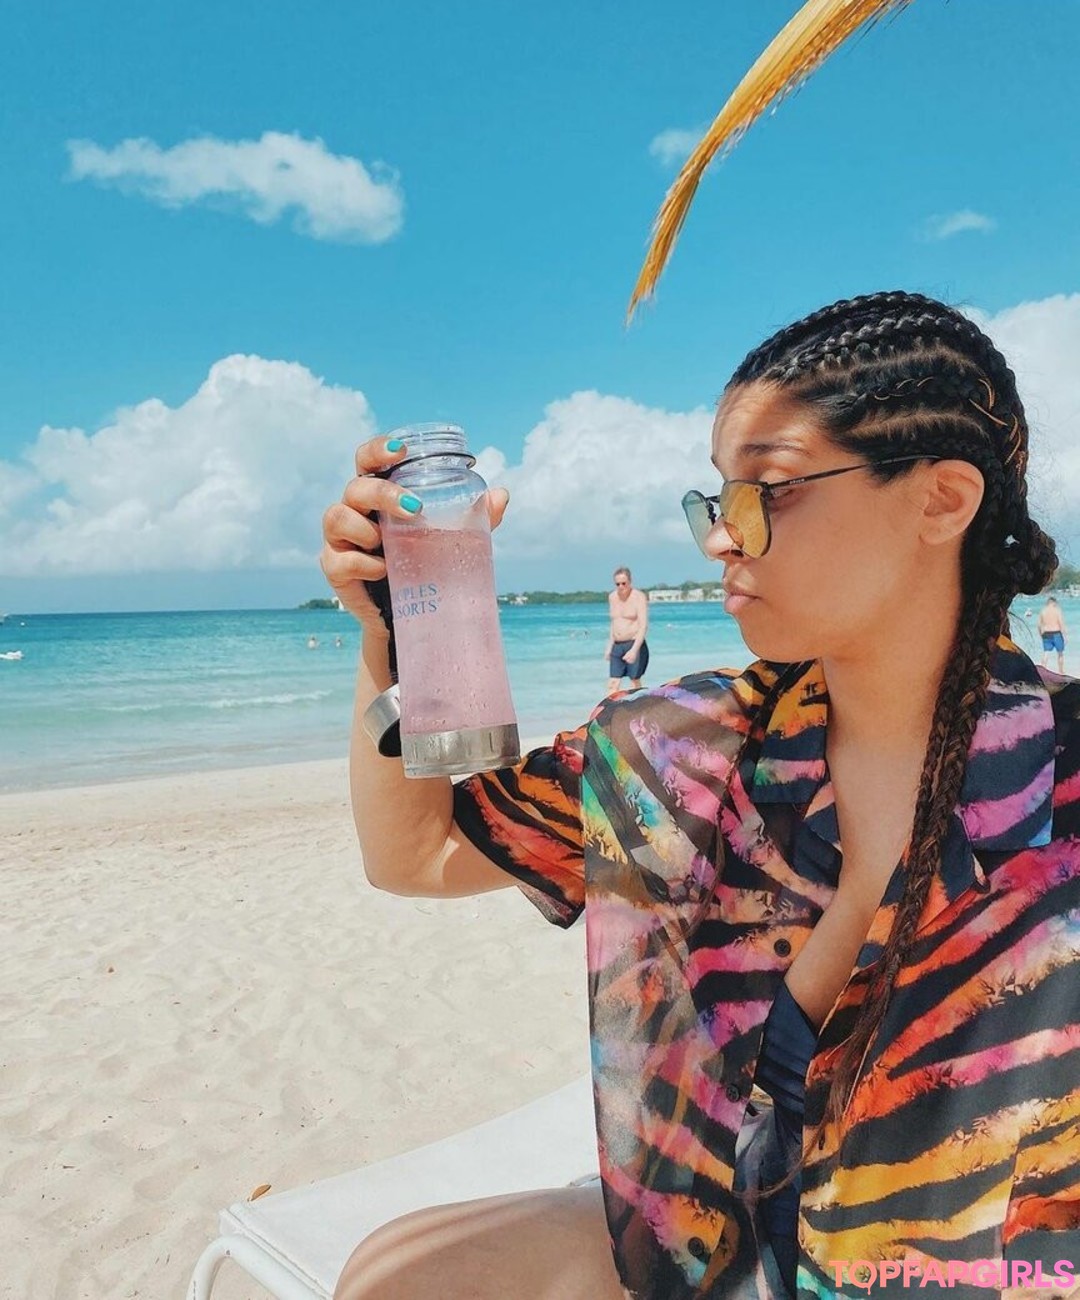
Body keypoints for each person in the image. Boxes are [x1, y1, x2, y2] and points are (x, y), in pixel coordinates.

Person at [320, 291, 1080, 1300]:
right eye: (718, 499)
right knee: (395, 1274)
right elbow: (414, 855)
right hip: (724, 1240)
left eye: (768, 490)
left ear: (942, 500)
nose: (724, 537)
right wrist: (389, 636)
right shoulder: (682, 751)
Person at [605, 566, 650, 693]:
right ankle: (611, 706)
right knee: (613, 683)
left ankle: (640, 704)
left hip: (634, 643)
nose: (621, 587)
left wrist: (634, 650)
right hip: (617, 645)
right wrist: (609, 646)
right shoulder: (612, 597)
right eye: (617, 584)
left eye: (624, 583)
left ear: (630, 582)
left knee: (635, 682)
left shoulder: (638, 597)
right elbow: (614, 623)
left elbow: (643, 626)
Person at [1037, 594, 1067, 672]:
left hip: (1046, 633)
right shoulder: (1057, 610)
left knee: (1046, 652)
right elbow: (1061, 623)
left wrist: (1041, 634)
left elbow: (1039, 625)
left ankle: (1043, 670)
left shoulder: (1043, 611)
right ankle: (1061, 671)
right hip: (1056, 633)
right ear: (1054, 603)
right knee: (1060, 653)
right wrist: (1065, 636)